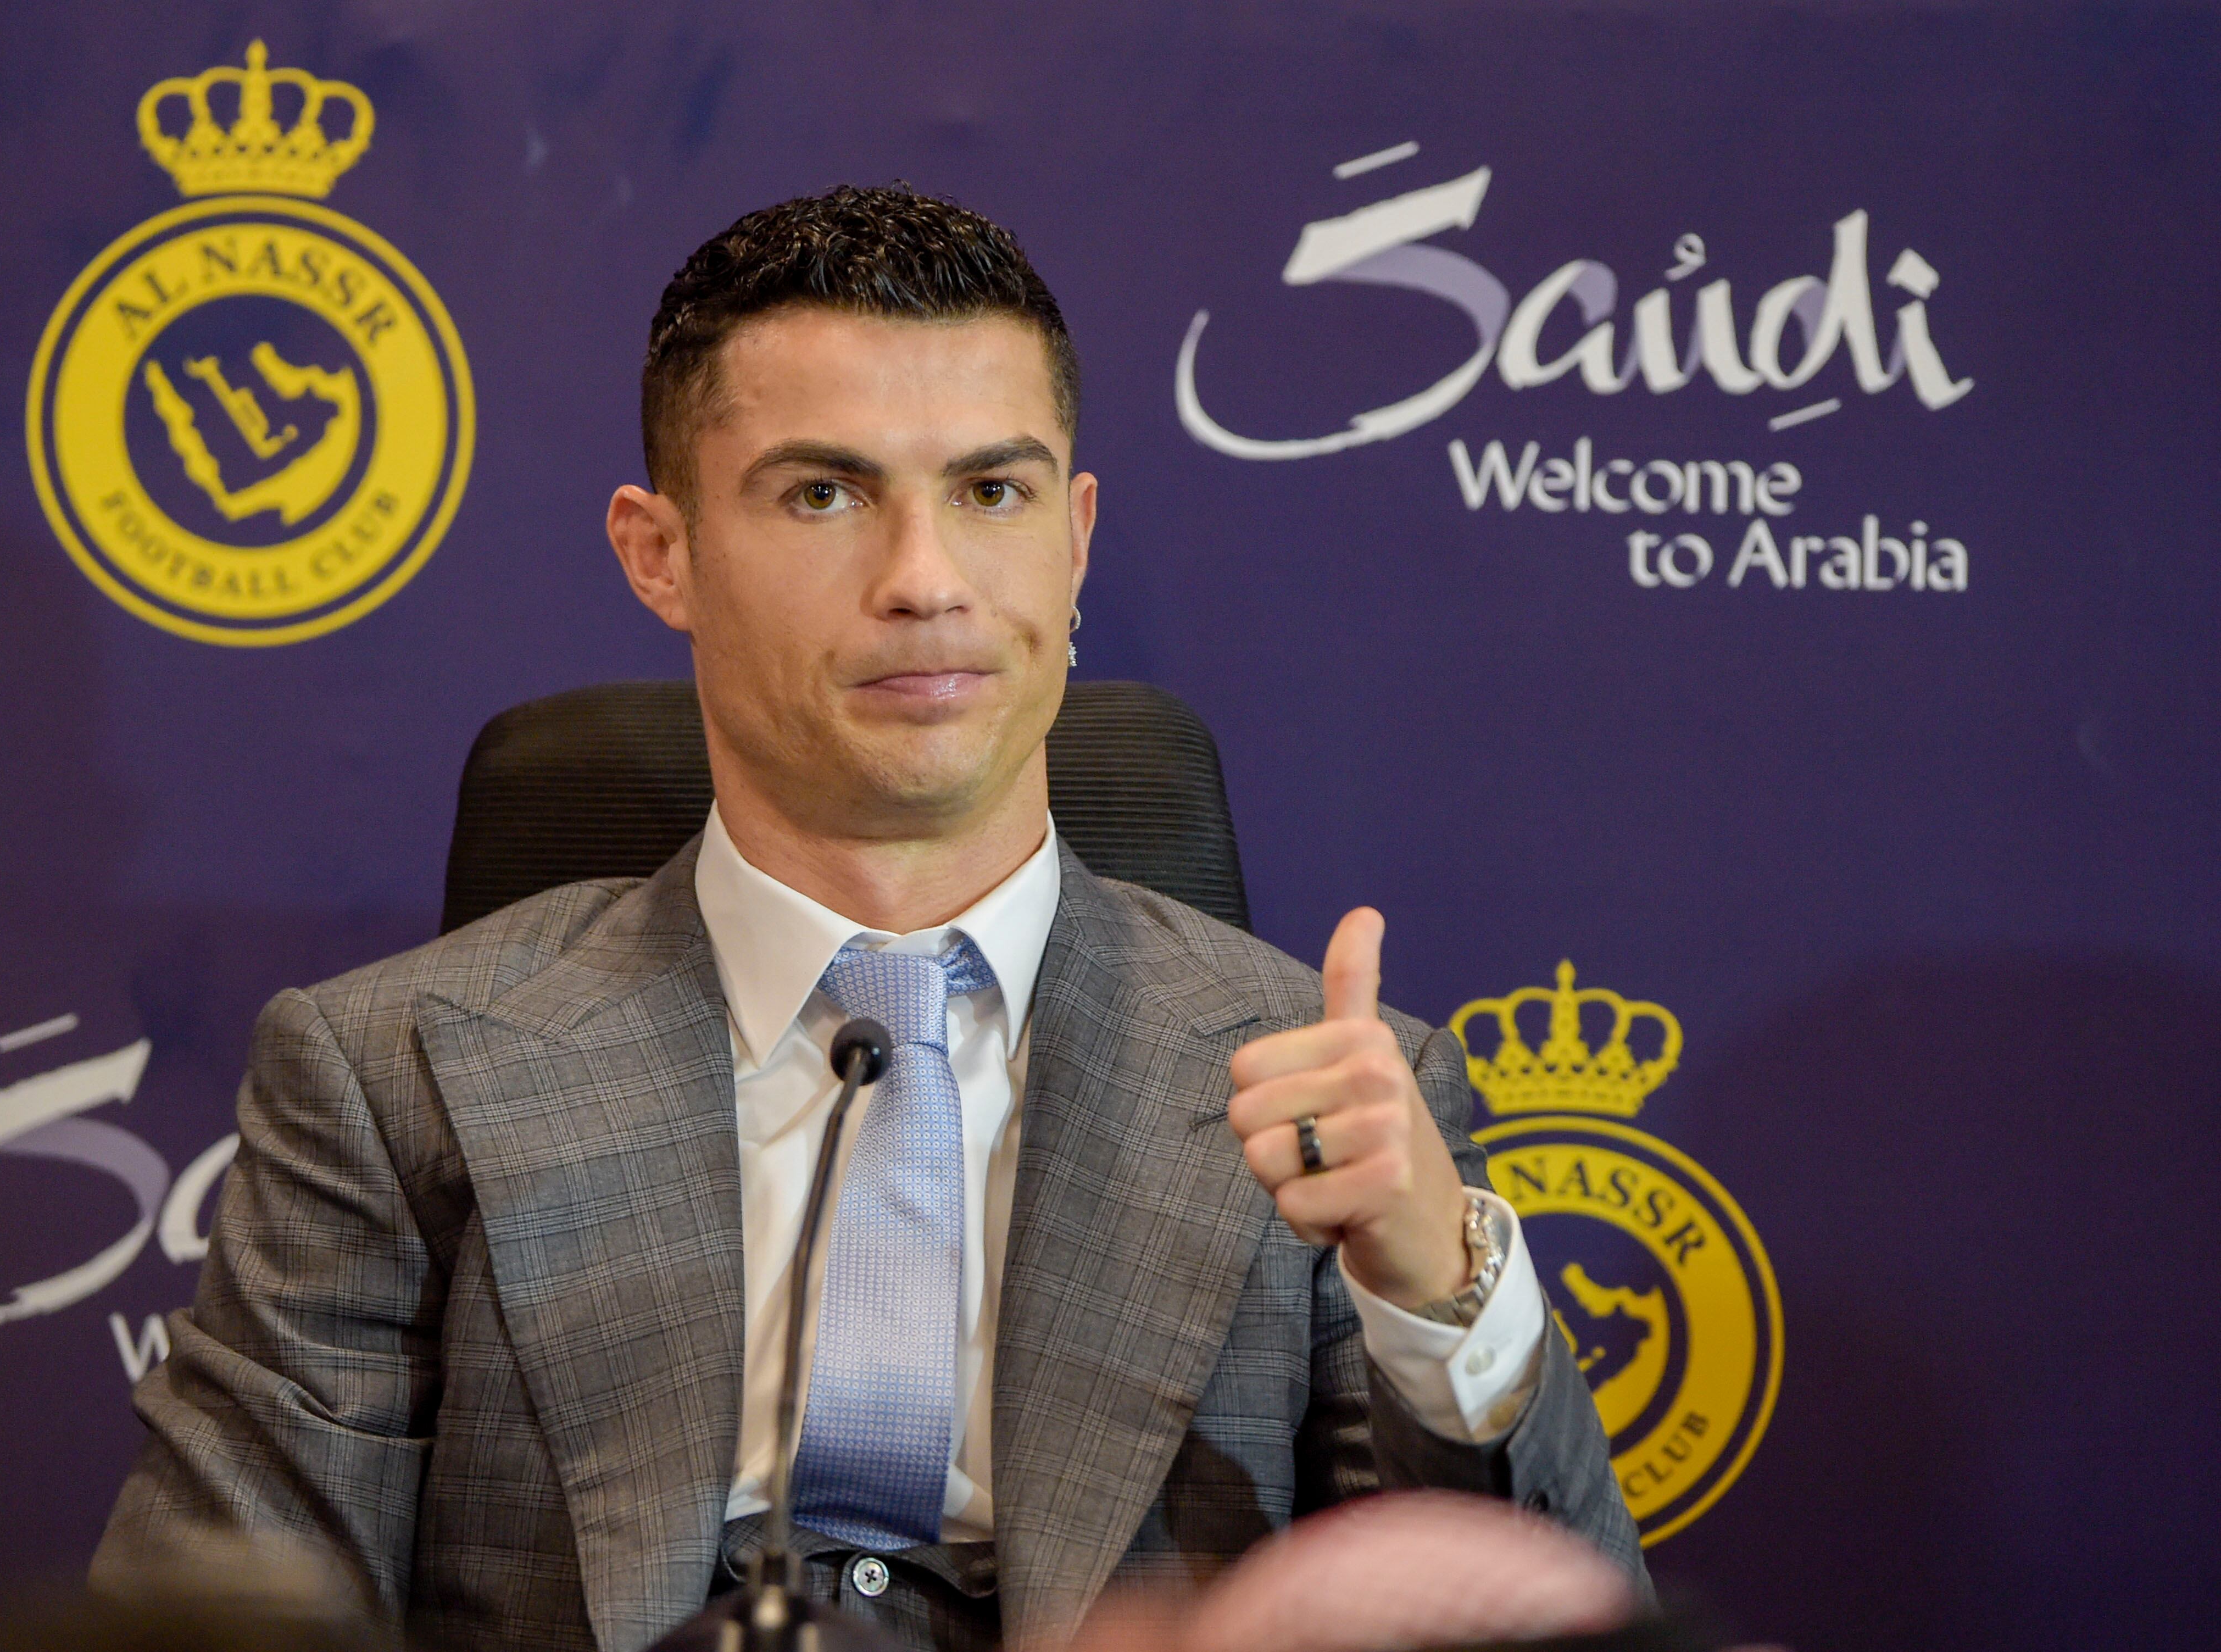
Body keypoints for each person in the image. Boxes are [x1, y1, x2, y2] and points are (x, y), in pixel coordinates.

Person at [95, 185, 1640, 1652]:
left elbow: (1541, 1629)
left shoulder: (1323, 1086)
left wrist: (1437, 1289)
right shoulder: (388, 1073)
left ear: (1078, 535)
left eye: (992, 491)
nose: (926, 579)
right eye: (826, 493)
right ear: (661, 553)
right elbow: (218, 1619)